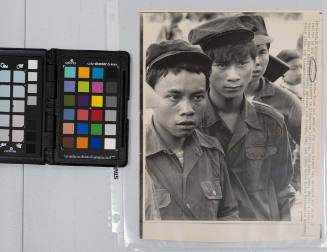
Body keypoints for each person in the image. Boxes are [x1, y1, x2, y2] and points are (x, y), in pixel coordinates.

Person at [188, 15, 293, 221]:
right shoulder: (188, 124)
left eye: (242, 63)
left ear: (255, 63)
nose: (233, 76)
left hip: (261, 237)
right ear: (204, 69)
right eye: (222, 65)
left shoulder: (271, 122)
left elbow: (283, 192)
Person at [144, 39, 239, 220]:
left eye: (197, 97)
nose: (187, 110)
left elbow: (228, 213)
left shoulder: (212, 152)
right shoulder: (137, 155)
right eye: (174, 97)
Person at [239, 15, 302, 193]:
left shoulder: (287, 101)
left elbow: (314, 145)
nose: (257, 61)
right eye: (247, 53)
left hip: (271, 201)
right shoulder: (216, 98)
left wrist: (294, 183)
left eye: (262, 52)